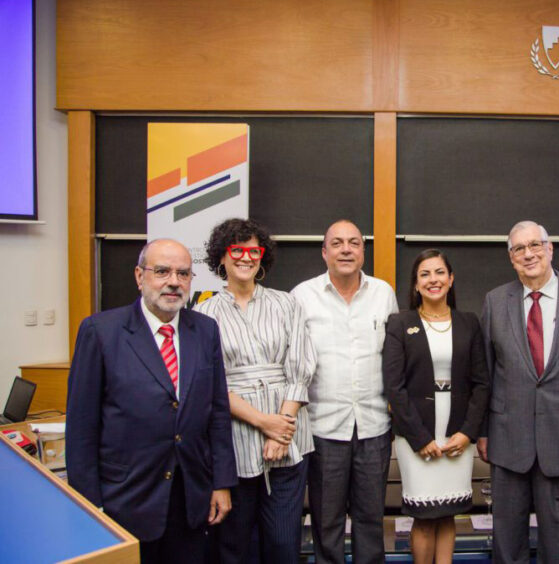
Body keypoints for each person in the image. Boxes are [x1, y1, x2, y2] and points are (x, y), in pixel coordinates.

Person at [66, 239, 237, 564]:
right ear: (139, 276)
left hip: (189, 498)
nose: (174, 281)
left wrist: (221, 482)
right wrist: (89, 506)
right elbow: (81, 427)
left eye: (183, 273)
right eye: (162, 271)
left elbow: (217, 412)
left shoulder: (205, 330)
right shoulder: (101, 332)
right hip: (124, 500)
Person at [479, 220, 559, 564]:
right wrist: (482, 432)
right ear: (511, 258)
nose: (528, 254)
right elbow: (486, 374)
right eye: (519, 249)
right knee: (507, 541)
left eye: (535, 245)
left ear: (550, 249)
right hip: (509, 440)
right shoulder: (495, 301)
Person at [195, 218, 316, 563]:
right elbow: (210, 383)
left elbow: (302, 366)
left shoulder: (286, 304)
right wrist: (264, 423)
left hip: (289, 438)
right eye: (237, 250)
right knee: (236, 546)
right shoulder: (204, 314)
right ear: (221, 257)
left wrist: (280, 430)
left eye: (253, 250)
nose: (246, 257)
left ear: (262, 257)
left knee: (282, 543)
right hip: (234, 440)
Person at [291, 219, 398, 564]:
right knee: (326, 525)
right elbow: (292, 361)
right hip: (323, 428)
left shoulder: (383, 293)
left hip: (374, 426)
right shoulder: (301, 297)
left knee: (370, 523)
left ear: (363, 252)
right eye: (337, 243)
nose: (346, 249)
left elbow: (396, 357)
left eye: (353, 242)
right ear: (324, 253)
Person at [382, 249, 490, 564]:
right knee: (425, 515)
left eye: (440, 272)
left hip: (458, 434)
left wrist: (467, 433)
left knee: (448, 515)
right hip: (416, 435)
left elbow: (481, 383)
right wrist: (420, 438)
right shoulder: (400, 323)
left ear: (451, 278)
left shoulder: (469, 322)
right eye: (425, 274)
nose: (433, 280)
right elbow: (394, 386)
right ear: (416, 285)